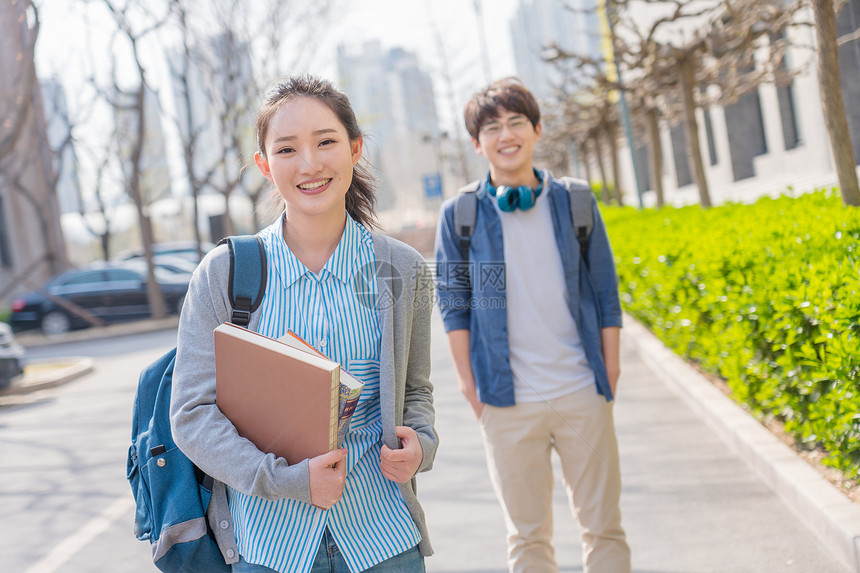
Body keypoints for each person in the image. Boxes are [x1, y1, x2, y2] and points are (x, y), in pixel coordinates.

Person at [171, 75, 437, 573]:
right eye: (287, 149)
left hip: (382, 538)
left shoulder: (400, 268)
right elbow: (192, 414)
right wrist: (285, 480)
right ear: (264, 166)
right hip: (270, 547)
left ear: (355, 148)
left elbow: (415, 391)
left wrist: (421, 445)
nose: (310, 164)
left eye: (326, 142)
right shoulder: (226, 274)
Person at [434, 77, 631, 573]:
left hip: (581, 388)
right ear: (477, 143)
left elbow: (606, 291)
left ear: (537, 129)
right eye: (492, 127)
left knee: (603, 527)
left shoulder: (574, 202)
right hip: (505, 398)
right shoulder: (462, 215)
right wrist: (468, 384)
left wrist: (609, 369)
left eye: (517, 122)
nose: (506, 135)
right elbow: (454, 303)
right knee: (527, 538)